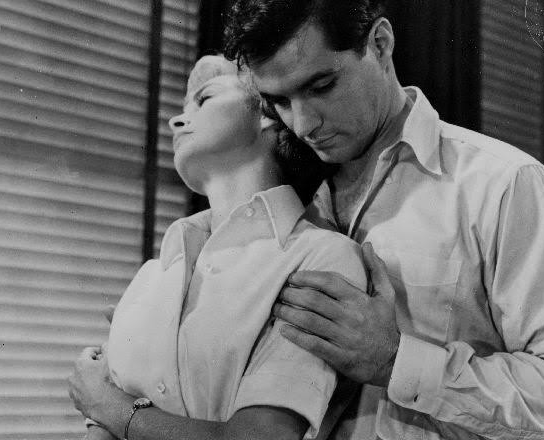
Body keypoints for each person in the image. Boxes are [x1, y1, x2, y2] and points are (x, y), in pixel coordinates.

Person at [222, 0, 544, 438]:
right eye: (280, 102)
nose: (303, 124)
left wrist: (396, 361)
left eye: (321, 86)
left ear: (380, 42)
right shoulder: (290, 202)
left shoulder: (501, 186)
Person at [67, 55, 369, 440]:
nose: (176, 121)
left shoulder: (320, 258)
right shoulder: (152, 275)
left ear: (270, 112)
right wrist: (104, 411)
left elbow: (260, 438)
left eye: (204, 98)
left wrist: (109, 406)